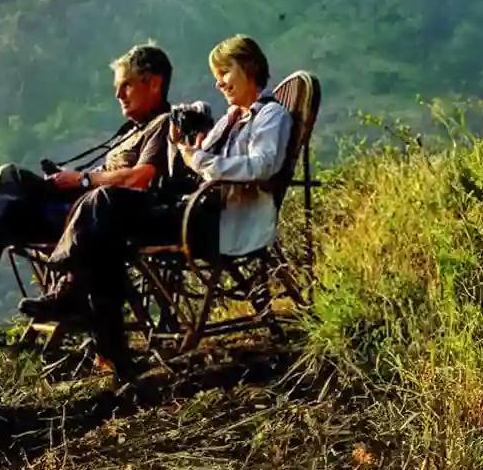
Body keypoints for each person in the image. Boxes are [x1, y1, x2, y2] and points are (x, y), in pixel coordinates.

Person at [19, 35, 292, 379]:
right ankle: (112, 348)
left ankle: (74, 293)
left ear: (249, 68)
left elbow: (261, 165)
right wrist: (182, 143)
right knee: (105, 230)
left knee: (104, 201)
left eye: (225, 72)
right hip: (193, 210)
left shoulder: (270, 115)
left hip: (216, 222)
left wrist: (198, 158)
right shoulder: (230, 119)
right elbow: (191, 161)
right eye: (217, 75)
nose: (219, 83)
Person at [0, 43, 177, 318]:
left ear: (154, 84)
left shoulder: (163, 124)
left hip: (99, 219)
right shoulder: (132, 130)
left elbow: (140, 178)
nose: (118, 95)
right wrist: (67, 178)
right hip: (79, 209)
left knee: (1, 203)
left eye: (127, 85)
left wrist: (82, 179)